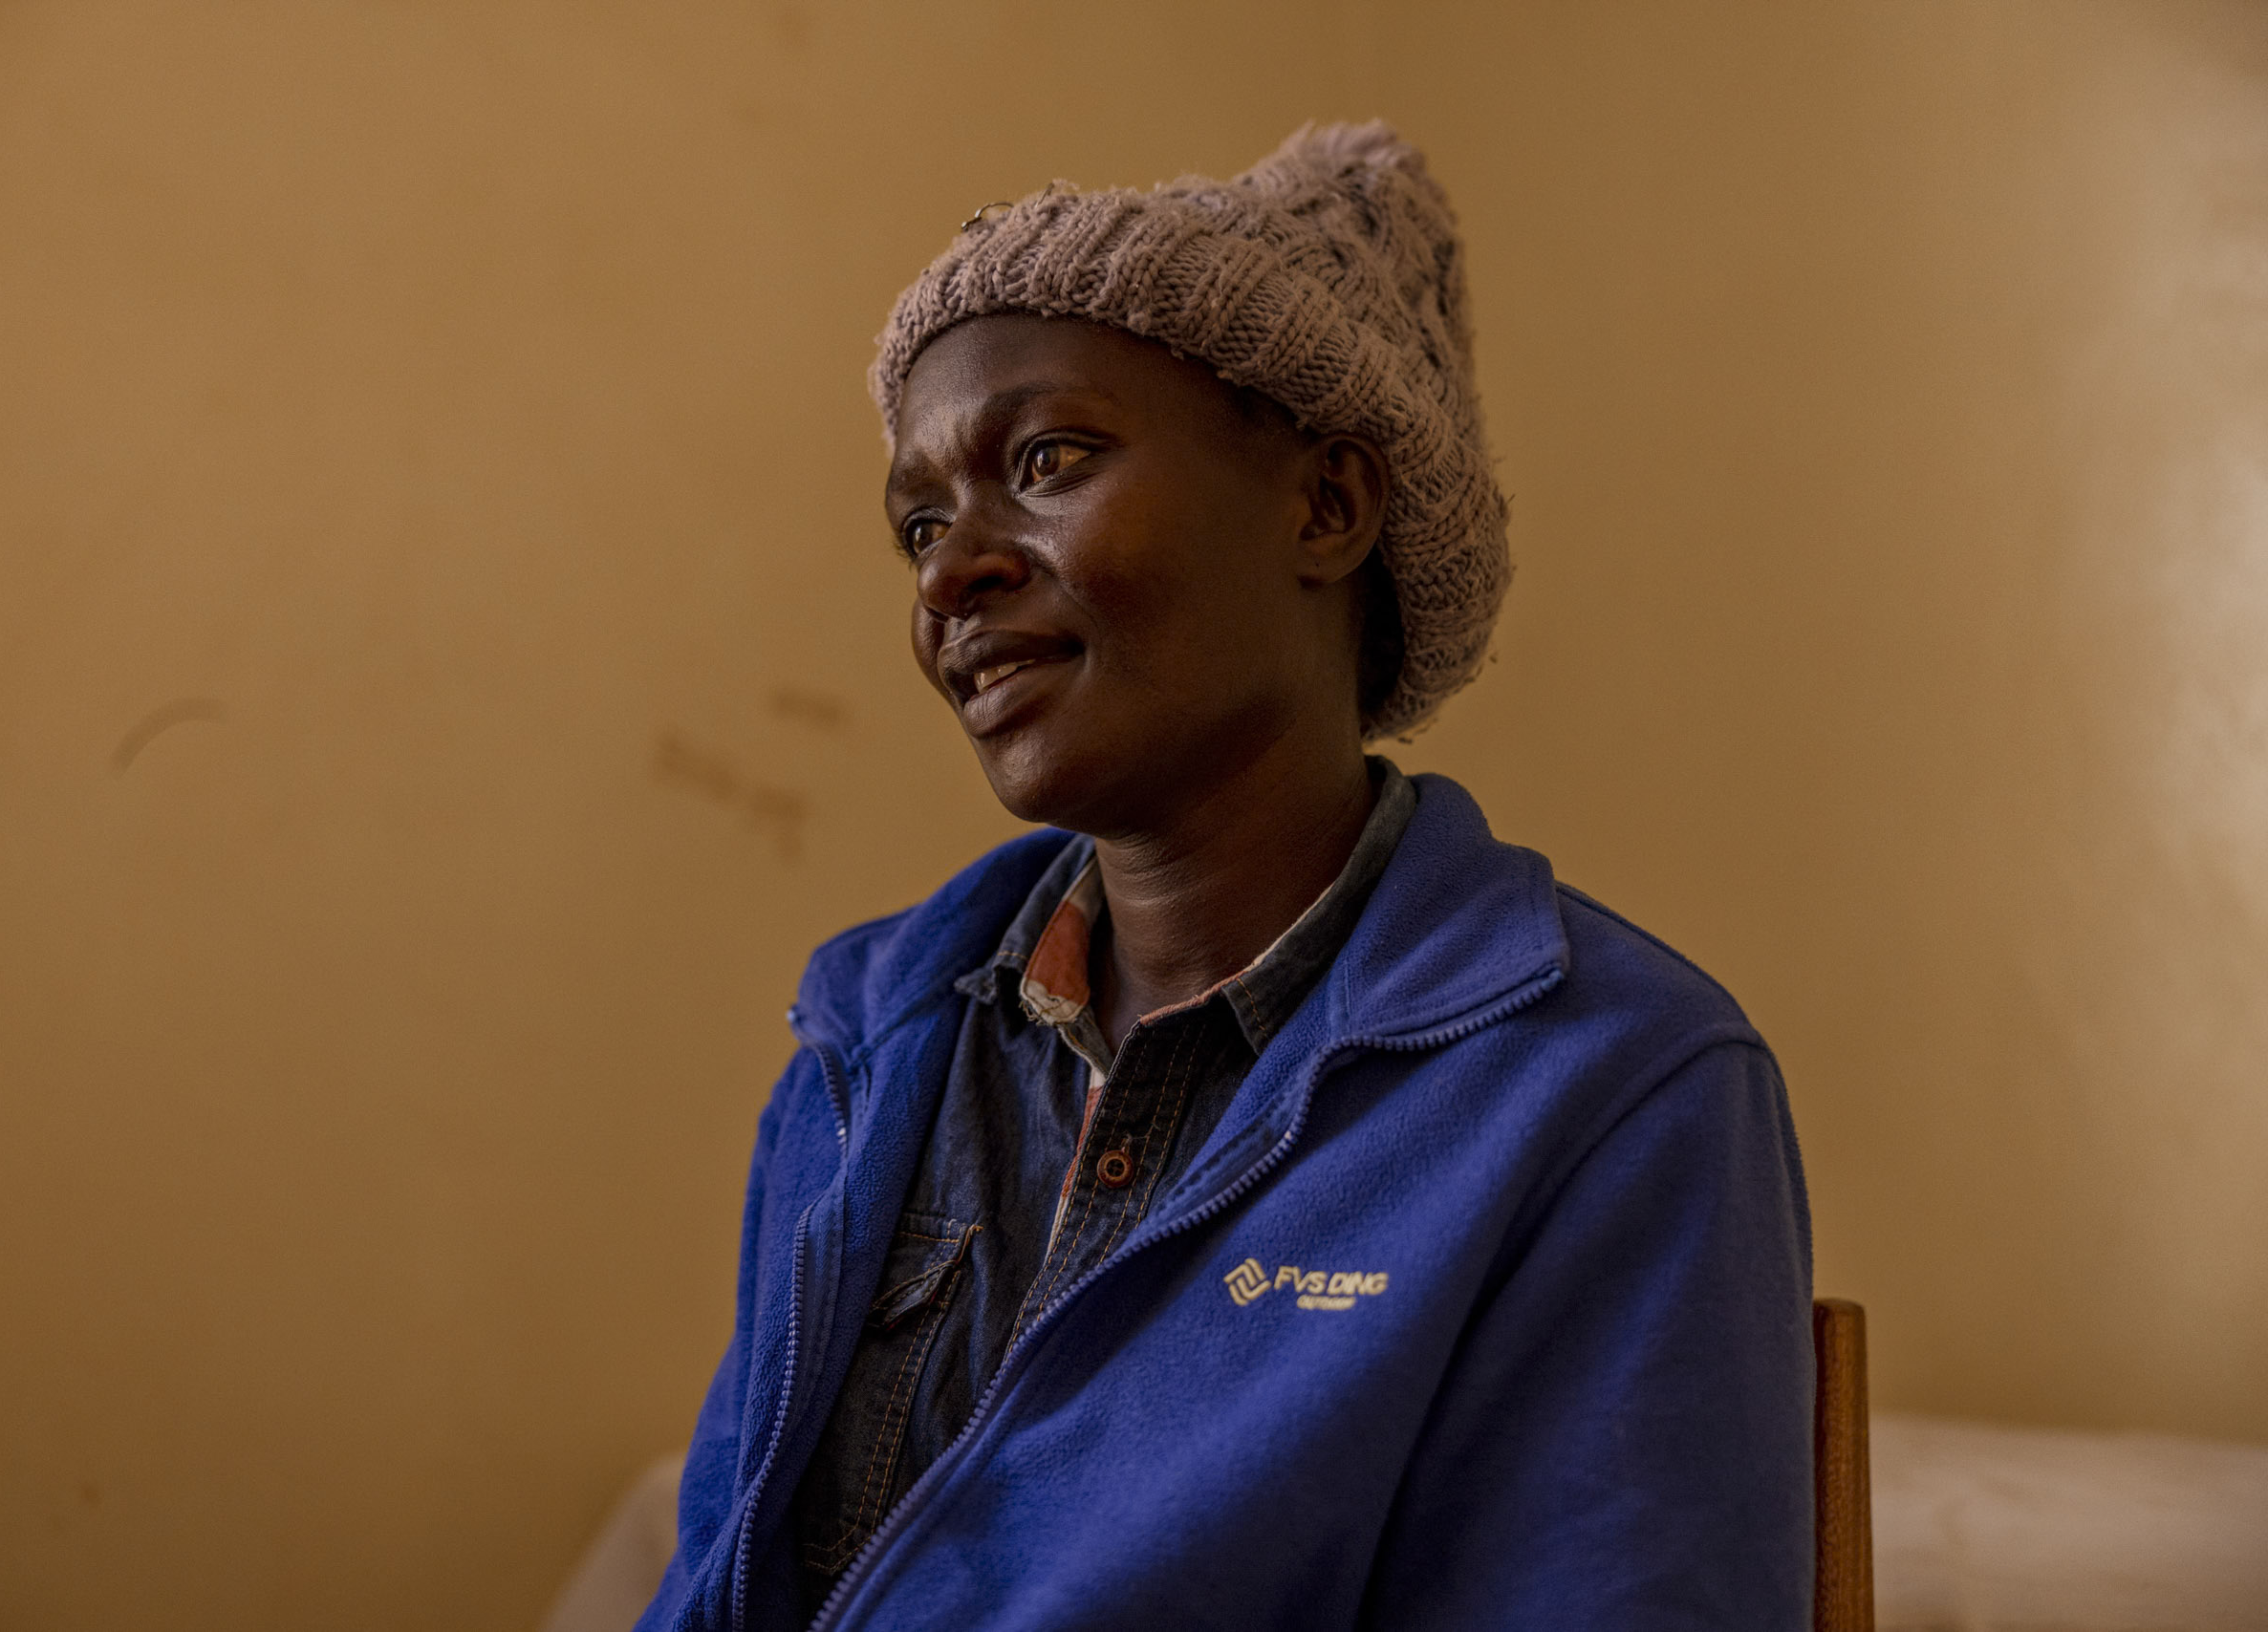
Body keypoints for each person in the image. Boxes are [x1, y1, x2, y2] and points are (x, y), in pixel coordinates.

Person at [638, 123, 1813, 1632]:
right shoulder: (868, 1050)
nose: (947, 576)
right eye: (920, 523)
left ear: (1325, 508)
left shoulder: (1609, 1090)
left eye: (1047, 462)